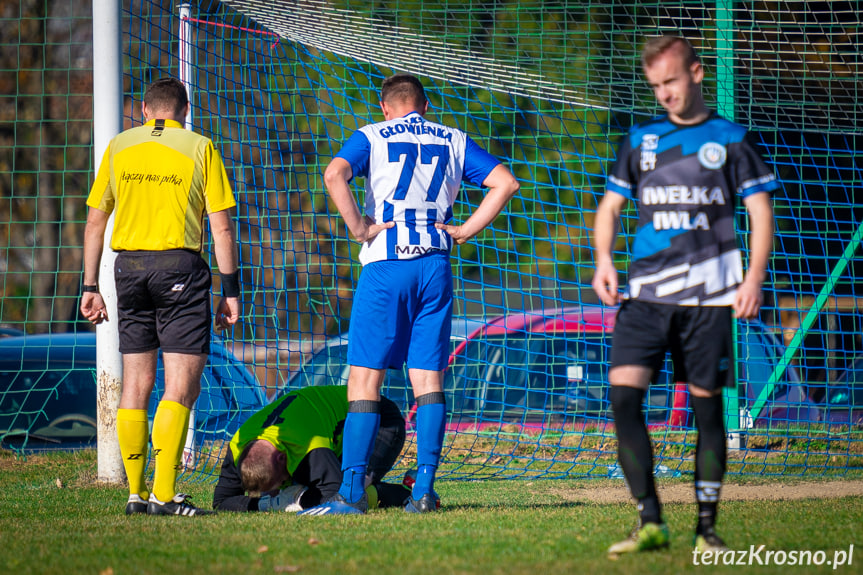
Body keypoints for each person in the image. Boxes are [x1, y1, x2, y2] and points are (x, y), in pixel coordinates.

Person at [302, 73, 519, 515]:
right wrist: (463, 231)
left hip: (385, 265)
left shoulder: (373, 135)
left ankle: (351, 492)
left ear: (386, 108)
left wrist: (359, 228)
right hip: (435, 266)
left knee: (365, 377)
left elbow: (333, 174)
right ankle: (423, 490)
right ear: (426, 106)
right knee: (428, 379)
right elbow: (506, 183)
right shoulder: (453, 138)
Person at [591, 35, 776, 555]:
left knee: (707, 412)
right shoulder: (641, 140)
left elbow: (760, 213)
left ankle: (707, 529)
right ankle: (650, 520)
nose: (664, 94)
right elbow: (609, 208)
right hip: (646, 297)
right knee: (624, 399)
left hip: (711, 299)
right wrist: (604, 260)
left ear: (696, 73)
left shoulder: (732, 139)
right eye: (655, 86)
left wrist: (753, 279)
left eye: (671, 82)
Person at [80, 77, 240, 517]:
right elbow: (221, 226)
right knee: (180, 386)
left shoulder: (119, 146)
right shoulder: (199, 147)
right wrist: (230, 291)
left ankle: (135, 494)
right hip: (179, 269)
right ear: (184, 111)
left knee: (135, 384)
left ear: (146, 109)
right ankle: (164, 495)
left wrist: (90, 287)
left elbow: (95, 223)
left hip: (126, 269)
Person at [212, 385, 412, 512]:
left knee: (352, 495)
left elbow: (336, 497)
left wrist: (293, 500)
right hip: (326, 431)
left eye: (280, 482)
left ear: (282, 459)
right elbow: (221, 502)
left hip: (380, 422)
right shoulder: (237, 445)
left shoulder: (309, 449)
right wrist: (266, 504)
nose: (278, 490)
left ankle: (408, 492)